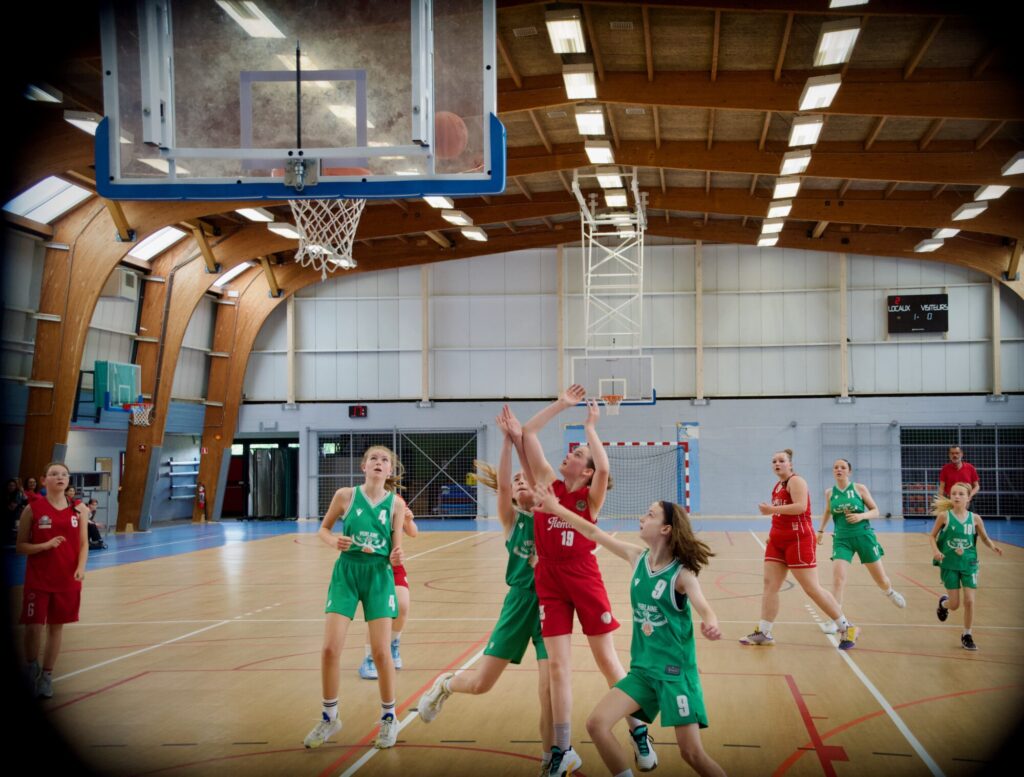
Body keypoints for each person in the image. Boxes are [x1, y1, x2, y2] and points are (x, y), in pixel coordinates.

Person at [534, 489, 726, 777]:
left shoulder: (682, 575)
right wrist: (556, 509)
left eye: (650, 514)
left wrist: (710, 621)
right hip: (643, 672)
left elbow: (704, 606)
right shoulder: (637, 557)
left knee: (692, 753)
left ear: (665, 528)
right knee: (597, 724)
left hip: (675, 675)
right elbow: (593, 532)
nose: (642, 518)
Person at [521, 386, 657, 776]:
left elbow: (606, 469)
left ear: (587, 472)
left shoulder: (590, 499)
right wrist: (561, 404)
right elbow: (528, 433)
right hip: (549, 579)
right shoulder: (548, 483)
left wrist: (591, 429)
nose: (571, 454)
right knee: (558, 667)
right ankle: (562, 748)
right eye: (575, 450)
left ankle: (638, 729)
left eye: (579, 454)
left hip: (583, 577)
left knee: (607, 660)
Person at [419, 405, 555, 772]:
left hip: (550, 606)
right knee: (481, 684)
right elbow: (506, 482)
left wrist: (523, 440)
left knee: (550, 692)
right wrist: (508, 442)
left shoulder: (550, 517)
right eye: (516, 483)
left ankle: (550, 760)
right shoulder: (511, 520)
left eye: (526, 481)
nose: (521, 484)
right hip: (519, 603)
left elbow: (537, 473)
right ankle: (446, 684)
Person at [303, 446, 407, 750]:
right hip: (346, 573)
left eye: (385, 460)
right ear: (364, 466)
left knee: (381, 652)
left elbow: (396, 550)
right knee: (329, 649)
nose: (379, 462)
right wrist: (334, 540)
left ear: (390, 471)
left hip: (378, 576)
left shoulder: (396, 504)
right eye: (373, 458)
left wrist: (397, 555)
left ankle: (389, 718)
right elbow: (323, 529)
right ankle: (329, 717)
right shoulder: (345, 496)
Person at [741, 449, 859, 650]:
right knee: (770, 585)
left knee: (812, 588)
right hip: (777, 541)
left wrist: (771, 510)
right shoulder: (778, 485)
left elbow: (800, 507)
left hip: (798, 540)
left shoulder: (796, 481)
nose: (777, 464)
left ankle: (846, 627)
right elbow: (781, 515)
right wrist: (773, 532)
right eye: (774, 461)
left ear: (790, 464)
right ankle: (764, 632)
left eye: (781, 460)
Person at [15, 462, 90, 699]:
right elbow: (20, 546)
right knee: (33, 627)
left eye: (64, 474)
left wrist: (81, 567)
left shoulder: (79, 509)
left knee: (56, 628)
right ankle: (31, 667)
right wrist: (45, 545)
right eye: (54, 474)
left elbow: (84, 543)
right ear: (44, 480)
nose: (60, 477)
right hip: (38, 578)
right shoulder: (32, 509)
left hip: (67, 578)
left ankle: (46, 676)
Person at [816, 459, 905, 627]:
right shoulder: (829, 492)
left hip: (864, 537)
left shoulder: (859, 488)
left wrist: (860, 516)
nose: (839, 470)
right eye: (836, 467)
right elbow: (828, 511)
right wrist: (820, 530)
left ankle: (889, 592)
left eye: (843, 467)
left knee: (881, 579)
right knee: (838, 579)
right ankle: (836, 619)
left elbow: (875, 511)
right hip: (842, 539)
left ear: (849, 471)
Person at [929, 483, 1002, 651]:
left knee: (969, 601)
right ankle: (943, 604)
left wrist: (993, 547)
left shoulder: (975, 518)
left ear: (968, 497)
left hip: (969, 563)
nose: (956, 496)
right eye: (954, 493)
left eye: (961, 494)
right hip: (949, 563)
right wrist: (936, 551)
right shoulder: (944, 516)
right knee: (954, 605)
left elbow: (984, 538)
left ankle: (967, 635)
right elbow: (932, 536)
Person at [359, 505, 417, 679]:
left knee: (402, 605)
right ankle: (369, 658)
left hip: (394, 565)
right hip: (372, 564)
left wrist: (408, 520)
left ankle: (393, 644)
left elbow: (413, 532)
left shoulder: (397, 502)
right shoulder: (363, 500)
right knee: (378, 613)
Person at [6, 478, 27, 546]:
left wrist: (22, 492)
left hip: (16, 516)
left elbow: (25, 502)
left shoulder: (19, 493)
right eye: (10, 485)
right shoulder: (6, 494)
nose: (12, 487)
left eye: (14, 485)